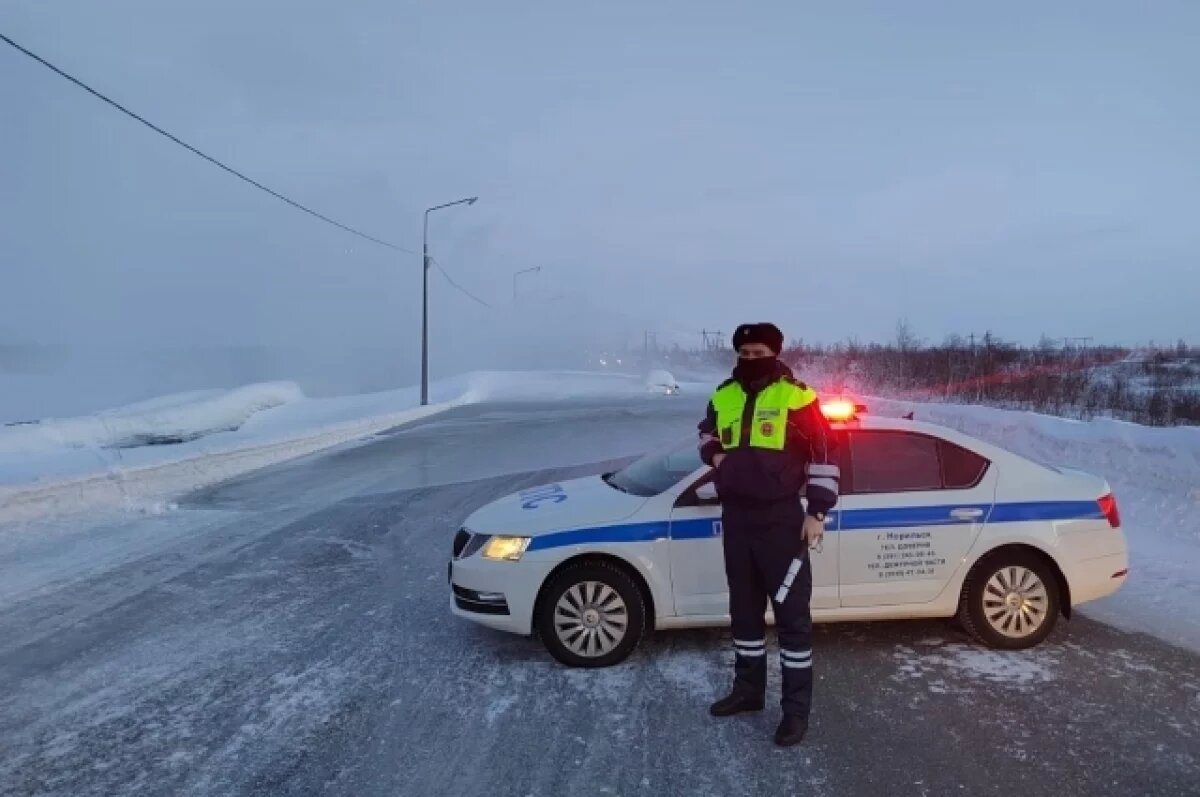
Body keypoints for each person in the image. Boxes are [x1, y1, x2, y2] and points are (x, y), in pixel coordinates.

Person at [697, 322, 840, 747]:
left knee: (792, 621)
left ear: (774, 353)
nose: (750, 359)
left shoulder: (797, 396)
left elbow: (826, 452)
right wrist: (717, 457)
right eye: (744, 352)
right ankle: (749, 692)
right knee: (743, 612)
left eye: (759, 352)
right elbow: (705, 432)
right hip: (737, 519)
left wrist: (817, 511)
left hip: (782, 520)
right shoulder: (723, 393)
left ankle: (795, 713)